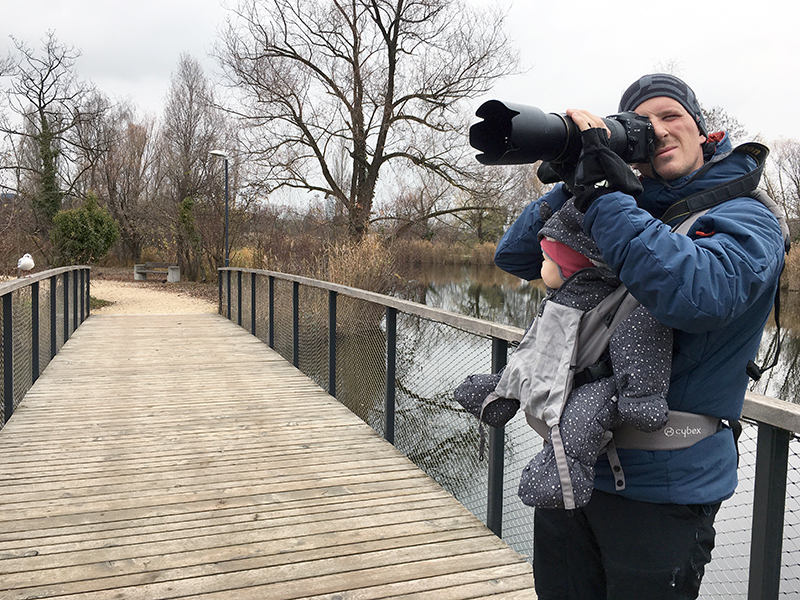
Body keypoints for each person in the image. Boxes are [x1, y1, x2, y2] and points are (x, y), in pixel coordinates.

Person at [493, 74, 787, 599]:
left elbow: (696, 293)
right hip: (570, 470)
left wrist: (604, 194)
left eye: (671, 116)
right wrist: (573, 177)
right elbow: (515, 257)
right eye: (642, 123)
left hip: (666, 488)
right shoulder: (618, 204)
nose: (657, 130)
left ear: (704, 132)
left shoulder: (748, 216)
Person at [455, 197, 672, 510]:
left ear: (570, 267)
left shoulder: (621, 301)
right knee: (519, 367)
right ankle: (496, 396)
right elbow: (534, 341)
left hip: (597, 383)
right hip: (556, 366)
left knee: (581, 420)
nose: (540, 266)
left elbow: (637, 345)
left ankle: (562, 478)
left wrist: (641, 398)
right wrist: (568, 187)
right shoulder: (559, 297)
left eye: (546, 259)